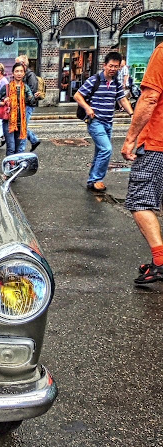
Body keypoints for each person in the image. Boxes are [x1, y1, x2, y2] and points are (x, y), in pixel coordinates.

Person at [121, 43, 163, 284]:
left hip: (157, 141)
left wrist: (131, 139)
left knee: (140, 200)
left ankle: (159, 262)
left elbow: (149, 97)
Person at [74, 52, 133, 193]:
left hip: (109, 122)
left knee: (100, 151)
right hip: (95, 121)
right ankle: (96, 179)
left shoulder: (116, 83)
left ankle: (92, 180)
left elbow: (122, 99)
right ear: (104, 65)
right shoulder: (94, 80)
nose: (113, 69)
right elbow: (77, 95)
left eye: (116, 67)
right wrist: (88, 108)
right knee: (106, 149)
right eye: (111, 66)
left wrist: (132, 114)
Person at [0, 62, 36, 155]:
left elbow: (32, 102)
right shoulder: (7, 87)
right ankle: (9, 167)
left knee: (18, 149)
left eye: (21, 71)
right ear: (13, 73)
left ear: (24, 73)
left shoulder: (25, 88)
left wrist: (34, 97)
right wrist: (3, 102)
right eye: (17, 71)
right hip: (8, 122)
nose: (19, 73)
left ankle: (15, 166)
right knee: (11, 148)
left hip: (20, 122)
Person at [16, 54, 41, 151]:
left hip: (28, 105)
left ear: (23, 64)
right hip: (23, 104)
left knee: (22, 127)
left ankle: (20, 151)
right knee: (22, 126)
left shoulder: (31, 76)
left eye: (17, 63)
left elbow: (31, 92)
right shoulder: (23, 75)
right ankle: (34, 140)